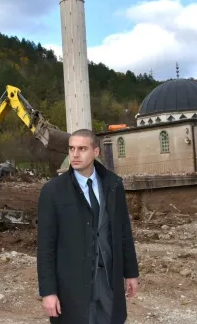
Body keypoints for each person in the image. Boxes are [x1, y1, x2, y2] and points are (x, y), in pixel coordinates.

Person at [37, 129, 139, 324]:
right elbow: (45, 247)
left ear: (96, 152)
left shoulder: (113, 184)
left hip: (109, 281)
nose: (75, 155)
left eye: (82, 149)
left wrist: (131, 273)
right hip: (73, 286)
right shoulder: (53, 191)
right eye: (71, 148)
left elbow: (123, 232)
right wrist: (48, 292)